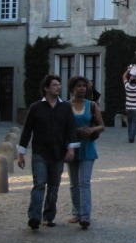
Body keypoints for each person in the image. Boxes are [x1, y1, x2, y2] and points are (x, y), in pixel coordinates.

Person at [17, 74, 79, 231]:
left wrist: (71, 148)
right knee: (39, 184)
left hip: (58, 153)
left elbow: (71, 128)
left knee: (53, 187)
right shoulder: (36, 108)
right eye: (55, 85)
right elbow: (27, 131)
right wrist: (21, 153)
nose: (58, 87)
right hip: (40, 152)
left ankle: (49, 216)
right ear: (46, 88)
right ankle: (34, 217)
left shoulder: (65, 107)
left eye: (59, 84)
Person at [66, 76, 104, 229]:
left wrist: (92, 129)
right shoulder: (66, 106)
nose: (82, 88)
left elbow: (102, 125)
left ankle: (85, 216)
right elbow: (62, 126)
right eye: (78, 86)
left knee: (84, 182)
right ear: (72, 89)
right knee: (74, 183)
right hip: (71, 147)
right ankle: (76, 213)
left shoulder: (92, 105)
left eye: (84, 86)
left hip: (88, 147)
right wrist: (76, 131)